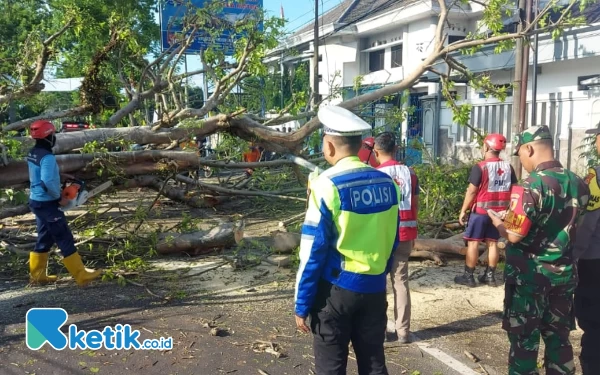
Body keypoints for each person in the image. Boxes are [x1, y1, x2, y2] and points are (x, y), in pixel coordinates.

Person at [294, 106, 400, 375]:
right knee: (374, 364)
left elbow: (312, 252)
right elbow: (393, 239)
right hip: (375, 289)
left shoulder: (326, 185)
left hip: (335, 292)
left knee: (331, 367)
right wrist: (378, 274)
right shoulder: (388, 183)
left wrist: (302, 304)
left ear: (329, 146)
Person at [487, 125, 589, 375]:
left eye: (520, 153)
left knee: (524, 343)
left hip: (529, 280)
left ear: (529, 148)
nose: (521, 159)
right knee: (559, 340)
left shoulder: (529, 186)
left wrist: (498, 222)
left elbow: (514, 234)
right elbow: (576, 227)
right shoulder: (578, 183)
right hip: (563, 277)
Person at [27, 120, 102, 286]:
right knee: (64, 236)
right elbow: (47, 181)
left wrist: (61, 176)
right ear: (48, 136)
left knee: (45, 238)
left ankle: (37, 276)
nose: (54, 137)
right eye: (53, 135)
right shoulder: (47, 157)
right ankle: (81, 275)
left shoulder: (33, 153)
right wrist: (59, 197)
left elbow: (39, 175)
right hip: (47, 202)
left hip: (36, 200)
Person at [372, 132, 419, 344]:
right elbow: (415, 204)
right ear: (396, 149)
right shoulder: (410, 173)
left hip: (382, 235)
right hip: (405, 232)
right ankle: (403, 331)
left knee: (379, 282)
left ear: (376, 151)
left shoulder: (374, 174)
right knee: (400, 281)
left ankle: (380, 329)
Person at [456, 133, 517, 287]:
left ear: (487, 147)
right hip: (498, 214)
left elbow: (471, 191)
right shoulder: (508, 167)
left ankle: (468, 276)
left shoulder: (480, 167)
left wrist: (463, 210)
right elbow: (515, 189)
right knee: (493, 243)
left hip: (481, 212)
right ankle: (489, 276)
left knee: (473, 243)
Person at [572, 124, 600, 374]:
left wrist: (572, 258)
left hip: (594, 261)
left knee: (593, 323)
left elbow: (586, 226)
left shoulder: (595, 178)